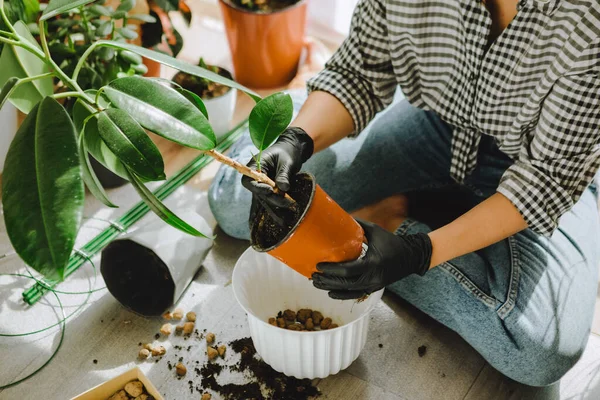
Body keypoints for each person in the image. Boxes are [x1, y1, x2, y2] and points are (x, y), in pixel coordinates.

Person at [209, 0, 600, 387]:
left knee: (537, 353)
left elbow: (544, 179)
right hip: (432, 122)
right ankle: (303, 114)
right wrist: (299, 137)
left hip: (547, 161)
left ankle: (399, 219)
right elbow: (359, 73)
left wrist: (418, 252)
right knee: (237, 205)